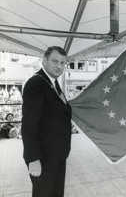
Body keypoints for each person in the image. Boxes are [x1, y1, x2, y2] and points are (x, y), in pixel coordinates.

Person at [21, 46, 72, 197]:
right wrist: (33, 158)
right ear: (44, 60)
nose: (59, 66)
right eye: (55, 61)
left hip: (57, 155)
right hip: (43, 158)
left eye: (63, 63)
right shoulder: (36, 83)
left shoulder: (54, 84)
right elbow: (29, 124)